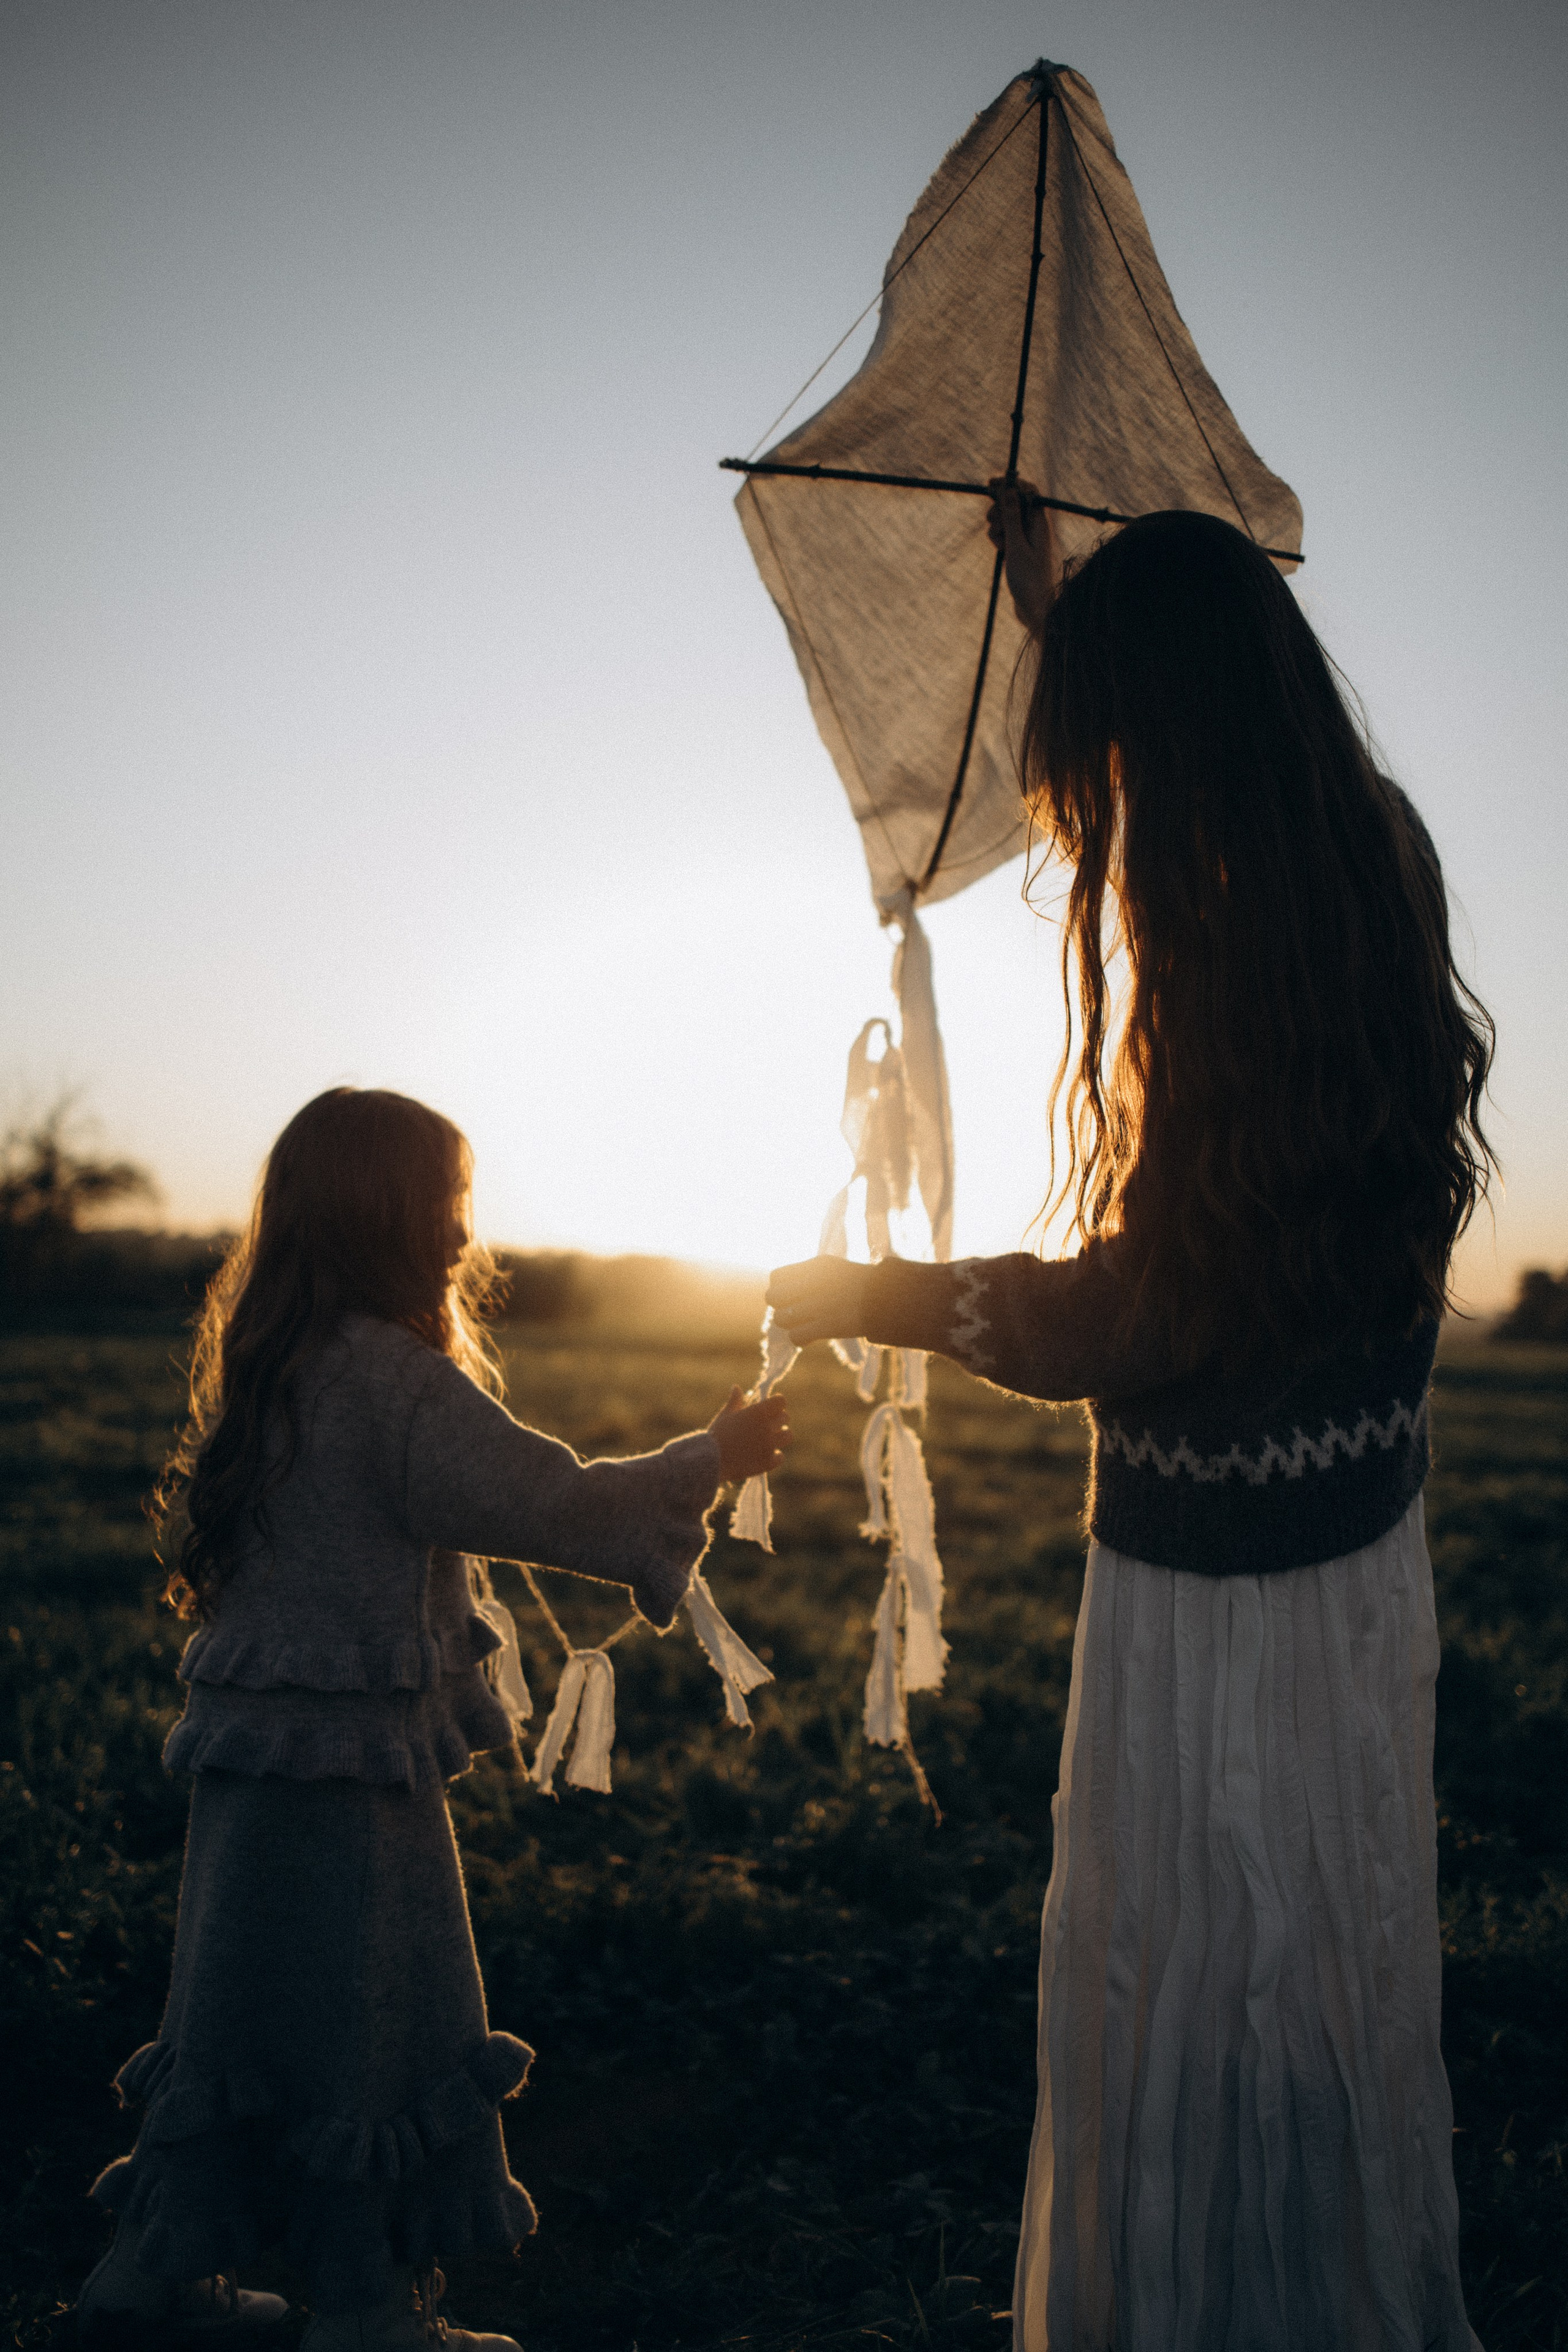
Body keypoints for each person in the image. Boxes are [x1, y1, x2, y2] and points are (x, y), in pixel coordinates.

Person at [769, 489, 1493, 2352]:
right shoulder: (1369, 850)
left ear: (1154, 725)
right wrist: (1052, 602)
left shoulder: (1210, 907)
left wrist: (892, 1299)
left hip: (1211, 1588)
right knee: (1324, 1969)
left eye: (1097, 728)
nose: (1074, 785)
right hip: (1358, 1548)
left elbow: (1144, 1310)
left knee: (1186, 1983)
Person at [77, 1086, 789, 2351]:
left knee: (230, 2006)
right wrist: (707, 1458)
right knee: (377, 2016)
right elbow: (548, 1502)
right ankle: (363, 2307)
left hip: (247, 1758)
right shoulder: (394, 1383)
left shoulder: (268, 1364)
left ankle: (152, 2271)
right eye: (448, 1203)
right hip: (355, 1769)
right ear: (380, 1213)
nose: (466, 1231)